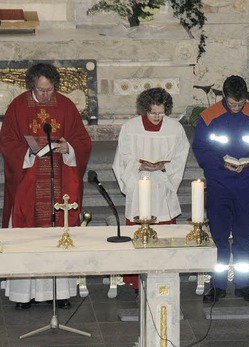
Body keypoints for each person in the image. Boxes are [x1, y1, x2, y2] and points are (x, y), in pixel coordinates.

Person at [0, 63, 92, 309]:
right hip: (27, 184)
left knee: (57, 232)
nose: (45, 95)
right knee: (27, 237)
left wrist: (68, 148)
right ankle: (24, 294)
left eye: (50, 90)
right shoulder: (18, 106)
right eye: (41, 90)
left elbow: (82, 140)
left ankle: (59, 292)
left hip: (58, 181)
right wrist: (28, 154)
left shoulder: (65, 105)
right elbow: (7, 141)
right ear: (32, 85)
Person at [192, 75, 249, 302]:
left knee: (243, 237)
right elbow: (201, 148)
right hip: (219, 185)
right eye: (232, 103)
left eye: (240, 103)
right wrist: (221, 163)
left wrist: (247, 162)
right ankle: (217, 285)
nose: (236, 107)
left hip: (246, 185)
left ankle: (243, 284)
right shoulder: (209, 117)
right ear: (224, 97)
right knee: (218, 236)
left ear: (246, 97)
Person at [112, 87, 190, 291]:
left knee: (164, 235)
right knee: (139, 235)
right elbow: (123, 158)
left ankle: (164, 280)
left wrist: (164, 166)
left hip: (162, 186)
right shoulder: (130, 127)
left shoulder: (175, 128)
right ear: (144, 110)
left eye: (161, 112)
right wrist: (139, 165)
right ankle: (139, 285)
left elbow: (181, 155)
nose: (157, 117)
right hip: (139, 186)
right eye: (153, 112)